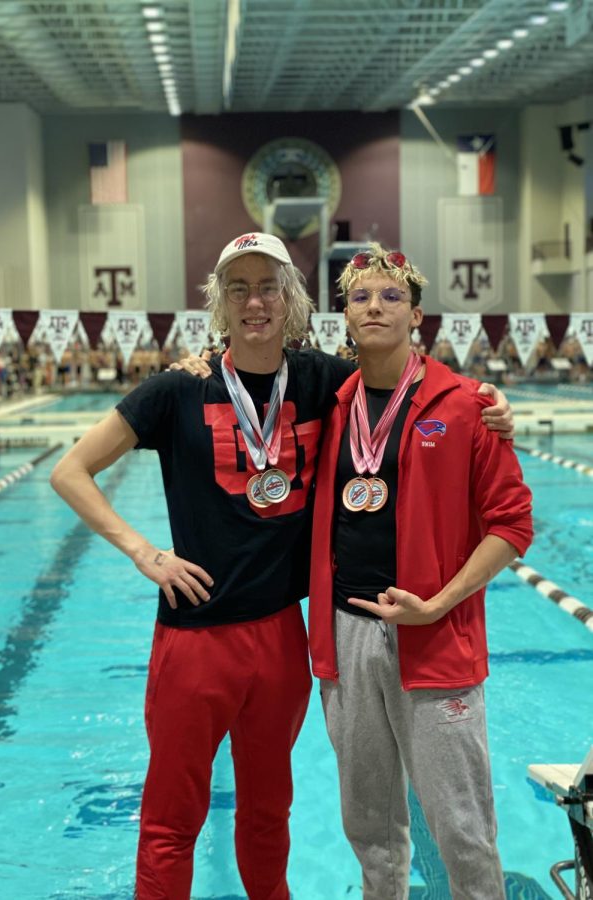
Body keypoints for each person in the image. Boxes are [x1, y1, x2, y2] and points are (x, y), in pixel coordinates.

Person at [49, 232, 514, 900]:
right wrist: (143, 552)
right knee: (170, 821)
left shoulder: (325, 380)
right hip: (193, 638)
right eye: (237, 288)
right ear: (220, 302)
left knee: (268, 814)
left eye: (267, 285)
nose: (254, 301)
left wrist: (489, 404)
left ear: (290, 298)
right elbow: (71, 472)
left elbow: (405, 385)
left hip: (280, 636)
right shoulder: (175, 389)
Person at [307, 243, 533, 899]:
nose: (374, 307)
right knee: (369, 829)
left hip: (434, 639)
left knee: (461, 829)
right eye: (359, 297)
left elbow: (512, 523)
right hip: (345, 638)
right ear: (343, 316)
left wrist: (438, 602)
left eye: (390, 296)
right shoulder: (328, 403)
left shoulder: (465, 404)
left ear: (417, 316)